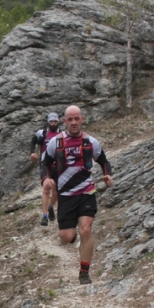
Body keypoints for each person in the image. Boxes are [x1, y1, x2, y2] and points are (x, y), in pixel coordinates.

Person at [43, 105, 114, 285]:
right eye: (70, 119)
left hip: (86, 192)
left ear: (82, 119)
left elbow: (104, 161)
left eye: (77, 119)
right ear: (64, 121)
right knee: (66, 237)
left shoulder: (91, 142)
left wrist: (107, 175)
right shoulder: (56, 143)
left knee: (86, 229)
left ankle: (84, 272)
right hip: (66, 195)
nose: (74, 122)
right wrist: (45, 178)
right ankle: (72, 236)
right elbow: (45, 164)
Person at [31, 112, 60, 226]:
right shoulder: (42, 133)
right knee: (47, 187)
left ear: (58, 122)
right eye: (51, 121)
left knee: (56, 191)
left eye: (55, 121)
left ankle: (51, 206)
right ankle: (44, 216)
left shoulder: (62, 134)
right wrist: (32, 152)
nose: (53, 123)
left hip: (58, 165)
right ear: (48, 122)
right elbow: (33, 141)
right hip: (45, 164)